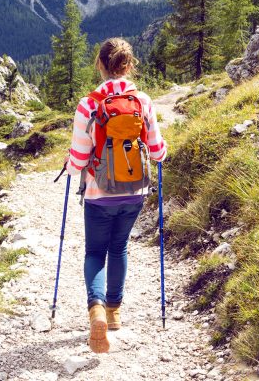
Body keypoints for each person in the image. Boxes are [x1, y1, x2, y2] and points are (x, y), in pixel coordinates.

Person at [65, 38, 167, 354]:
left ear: (100, 64)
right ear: (129, 64)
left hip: (99, 192)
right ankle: (113, 312)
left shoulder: (88, 104)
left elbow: (79, 159)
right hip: (134, 190)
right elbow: (157, 150)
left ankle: (95, 310)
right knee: (119, 246)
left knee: (95, 250)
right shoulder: (144, 101)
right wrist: (160, 154)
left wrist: (70, 168)